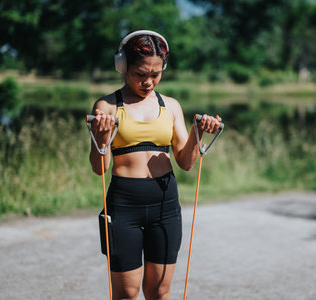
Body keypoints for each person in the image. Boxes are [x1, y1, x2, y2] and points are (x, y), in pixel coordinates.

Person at [89, 30, 222, 300]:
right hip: (124, 206)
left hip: (165, 205)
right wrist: (101, 138)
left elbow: (185, 162)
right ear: (123, 66)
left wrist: (198, 131)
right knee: (126, 293)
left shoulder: (171, 106)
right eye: (140, 74)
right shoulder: (107, 105)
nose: (148, 81)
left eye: (156, 74)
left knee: (159, 291)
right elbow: (99, 167)